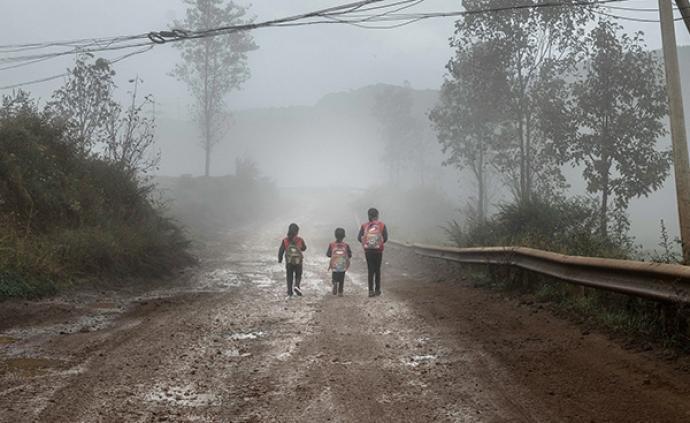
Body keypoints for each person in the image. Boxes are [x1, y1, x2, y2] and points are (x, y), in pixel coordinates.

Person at [357, 208, 388, 297]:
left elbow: (359, 238)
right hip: (378, 251)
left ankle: (370, 290)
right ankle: (377, 290)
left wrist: (366, 243)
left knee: (370, 270)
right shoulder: (382, 225)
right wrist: (378, 243)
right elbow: (385, 238)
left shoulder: (364, 226)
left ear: (368, 216)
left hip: (368, 251)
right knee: (377, 270)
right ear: (377, 215)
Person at [278, 223, 307, 298]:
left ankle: (290, 292)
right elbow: (304, 248)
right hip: (298, 262)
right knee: (298, 275)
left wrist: (280, 259)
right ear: (297, 232)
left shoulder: (285, 240)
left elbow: (281, 250)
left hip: (289, 262)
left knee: (289, 276)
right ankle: (297, 285)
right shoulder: (300, 240)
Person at [326, 227, 352, 297]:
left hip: (334, 265)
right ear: (344, 236)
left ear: (335, 235)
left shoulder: (332, 245)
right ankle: (340, 291)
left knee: (334, 276)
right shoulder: (346, 245)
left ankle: (334, 283)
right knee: (341, 278)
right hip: (343, 265)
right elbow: (350, 255)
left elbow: (328, 254)